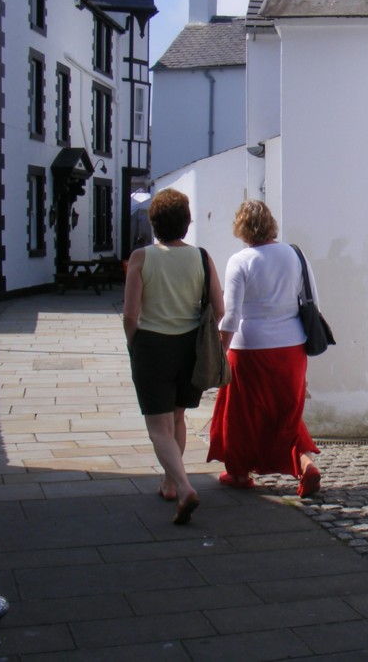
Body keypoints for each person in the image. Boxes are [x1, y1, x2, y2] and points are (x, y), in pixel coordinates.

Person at [123, 188, 224, 525]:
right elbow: (219, 309)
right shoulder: (202, 257)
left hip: (152, 345)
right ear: (186, 222)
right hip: (188, 349)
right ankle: (169, 482)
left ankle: (182, 486)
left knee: (158, 427)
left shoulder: (141, 258)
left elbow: (130, 315)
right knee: (177, 418)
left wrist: (133, 343)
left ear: (154, 224)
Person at [207, 200, 322, 497]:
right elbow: (313, 302)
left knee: (243, 413)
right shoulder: (296, 254)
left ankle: (239, 473)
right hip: (291, 347)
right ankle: (304, 462)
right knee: (286, 411)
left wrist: (221, 352)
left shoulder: (240, 261)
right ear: (270, 223)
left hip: (249, 348)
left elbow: (231, 315)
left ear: (241, 228)